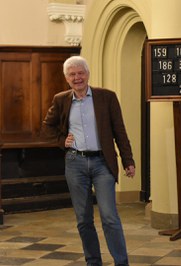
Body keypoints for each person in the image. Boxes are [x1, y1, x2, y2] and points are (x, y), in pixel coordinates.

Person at [42, 56, 135, 266]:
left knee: (110, 217)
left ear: (88, 74)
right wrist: (61, 140)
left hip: (103, 163)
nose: (77, 78)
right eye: (72, 74)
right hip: (75, 164)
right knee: (83, 220)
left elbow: (120, 131)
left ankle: (122, 262)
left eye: (80, 73)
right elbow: (46, 127)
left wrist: (128, 160)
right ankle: (93, 262)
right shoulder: (61, 99)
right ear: (67, 78)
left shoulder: (106, 97)